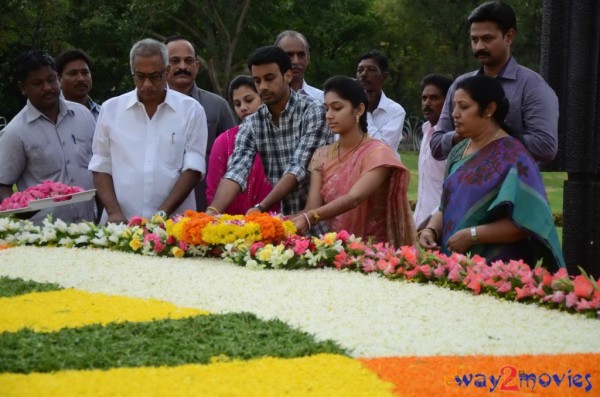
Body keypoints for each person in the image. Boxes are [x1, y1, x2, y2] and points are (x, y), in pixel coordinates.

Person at [418, 75, 565, 271]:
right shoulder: (457, 151)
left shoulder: (514, 157)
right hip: (453, 266)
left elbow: (528, 222)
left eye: (464, 107)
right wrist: (431, 230)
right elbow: (445, 206)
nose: (454, 114)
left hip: (497, 272)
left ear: (489, 109)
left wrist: (472, 235)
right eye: (454, 106)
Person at [88, 38, 207, 224]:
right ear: (132, 73)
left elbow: (193, 167)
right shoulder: (111, 109)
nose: (146, 84)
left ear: (167, 71)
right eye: (140, 76)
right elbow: (100, 165)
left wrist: (161, 215)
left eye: (154, 76)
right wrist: (113, 212)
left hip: (174, 225)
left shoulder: (191, 110)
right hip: (120, 224)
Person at [206, 45, 332, 216]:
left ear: (288, 76)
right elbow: (236, 171)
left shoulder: (313, 111)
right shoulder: (252, 123)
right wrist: (212, 212)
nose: (263, 86)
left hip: (324, 220)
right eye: (257, 81)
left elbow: (298, 169)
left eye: (269, 78)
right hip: (286, 221)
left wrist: (260, 208)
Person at [292, 76, 416, 247]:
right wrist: (279, 222)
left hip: (374, 253)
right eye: (326, 109)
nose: (329, 115)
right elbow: (312, 208)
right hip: (333, 249)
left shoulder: (378, 153)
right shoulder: (321, 155)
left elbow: (354, 198)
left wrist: (308, 217)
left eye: (337, 108)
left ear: (359, 110)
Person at [430, 1, 559, 164]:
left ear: (509, 37)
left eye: (487, 38)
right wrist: (460, 134)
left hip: (510, 184)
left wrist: (489, 133)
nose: (479, 47)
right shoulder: (461, 85)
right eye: (474, 39)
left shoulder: (532, 86)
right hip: (464, 184)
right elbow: (436, 146)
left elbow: (546, 147)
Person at [0, 49, 96, 224]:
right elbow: (3, 184)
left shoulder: (84, 116)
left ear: (58, 79)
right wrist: (17, 209)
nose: (48, 87)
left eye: (51, 80)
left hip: (90, 227)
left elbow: (100, 168)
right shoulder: (15, 132)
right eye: (37, 83)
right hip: (44, 236)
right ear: (23, 87)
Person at [164, 35, 236, 212]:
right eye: (175, 61)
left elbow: (236, 156)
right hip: (160, 203)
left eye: (188, 61)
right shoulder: (151, 107)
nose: (182, 67)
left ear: (197, 66)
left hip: (207, 205)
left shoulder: (217, 106)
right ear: (163, 66)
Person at [205, 76, 278, 214]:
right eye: (237, 104)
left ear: (263, 98)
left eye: (249, 100)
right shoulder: (224, 141)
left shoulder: (281, 136)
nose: (243, 108)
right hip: (230, 227)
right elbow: (212, 191)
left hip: (274, 222)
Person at [413, 74, 453, 229]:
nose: (427, 103)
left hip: (439, 227)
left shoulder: (452, 141)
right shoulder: (426, 131)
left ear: (448, 102)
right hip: (419, 226)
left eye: (434, 98)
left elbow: (451, 193)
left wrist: (428, 226)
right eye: (424, 98)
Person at [356, 50, 406, 153]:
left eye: (371, 70)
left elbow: (382, 150)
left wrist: (365, 113)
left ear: (384, 76)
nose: (364, 74)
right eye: (360, 70)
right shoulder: (347, 107)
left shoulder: (395, 111)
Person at [274, 30, 324, 102]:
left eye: (301, 55)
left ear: (308, 58)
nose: (296, 61)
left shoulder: (321, 99)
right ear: (276, 58)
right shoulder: (266, 98)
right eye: (289, 55)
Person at [55, 48, 101, 120]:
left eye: (85, 73)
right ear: (58, 79)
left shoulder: (102, 113)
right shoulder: (52, 114)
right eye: (73, 74)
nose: (81, 79)